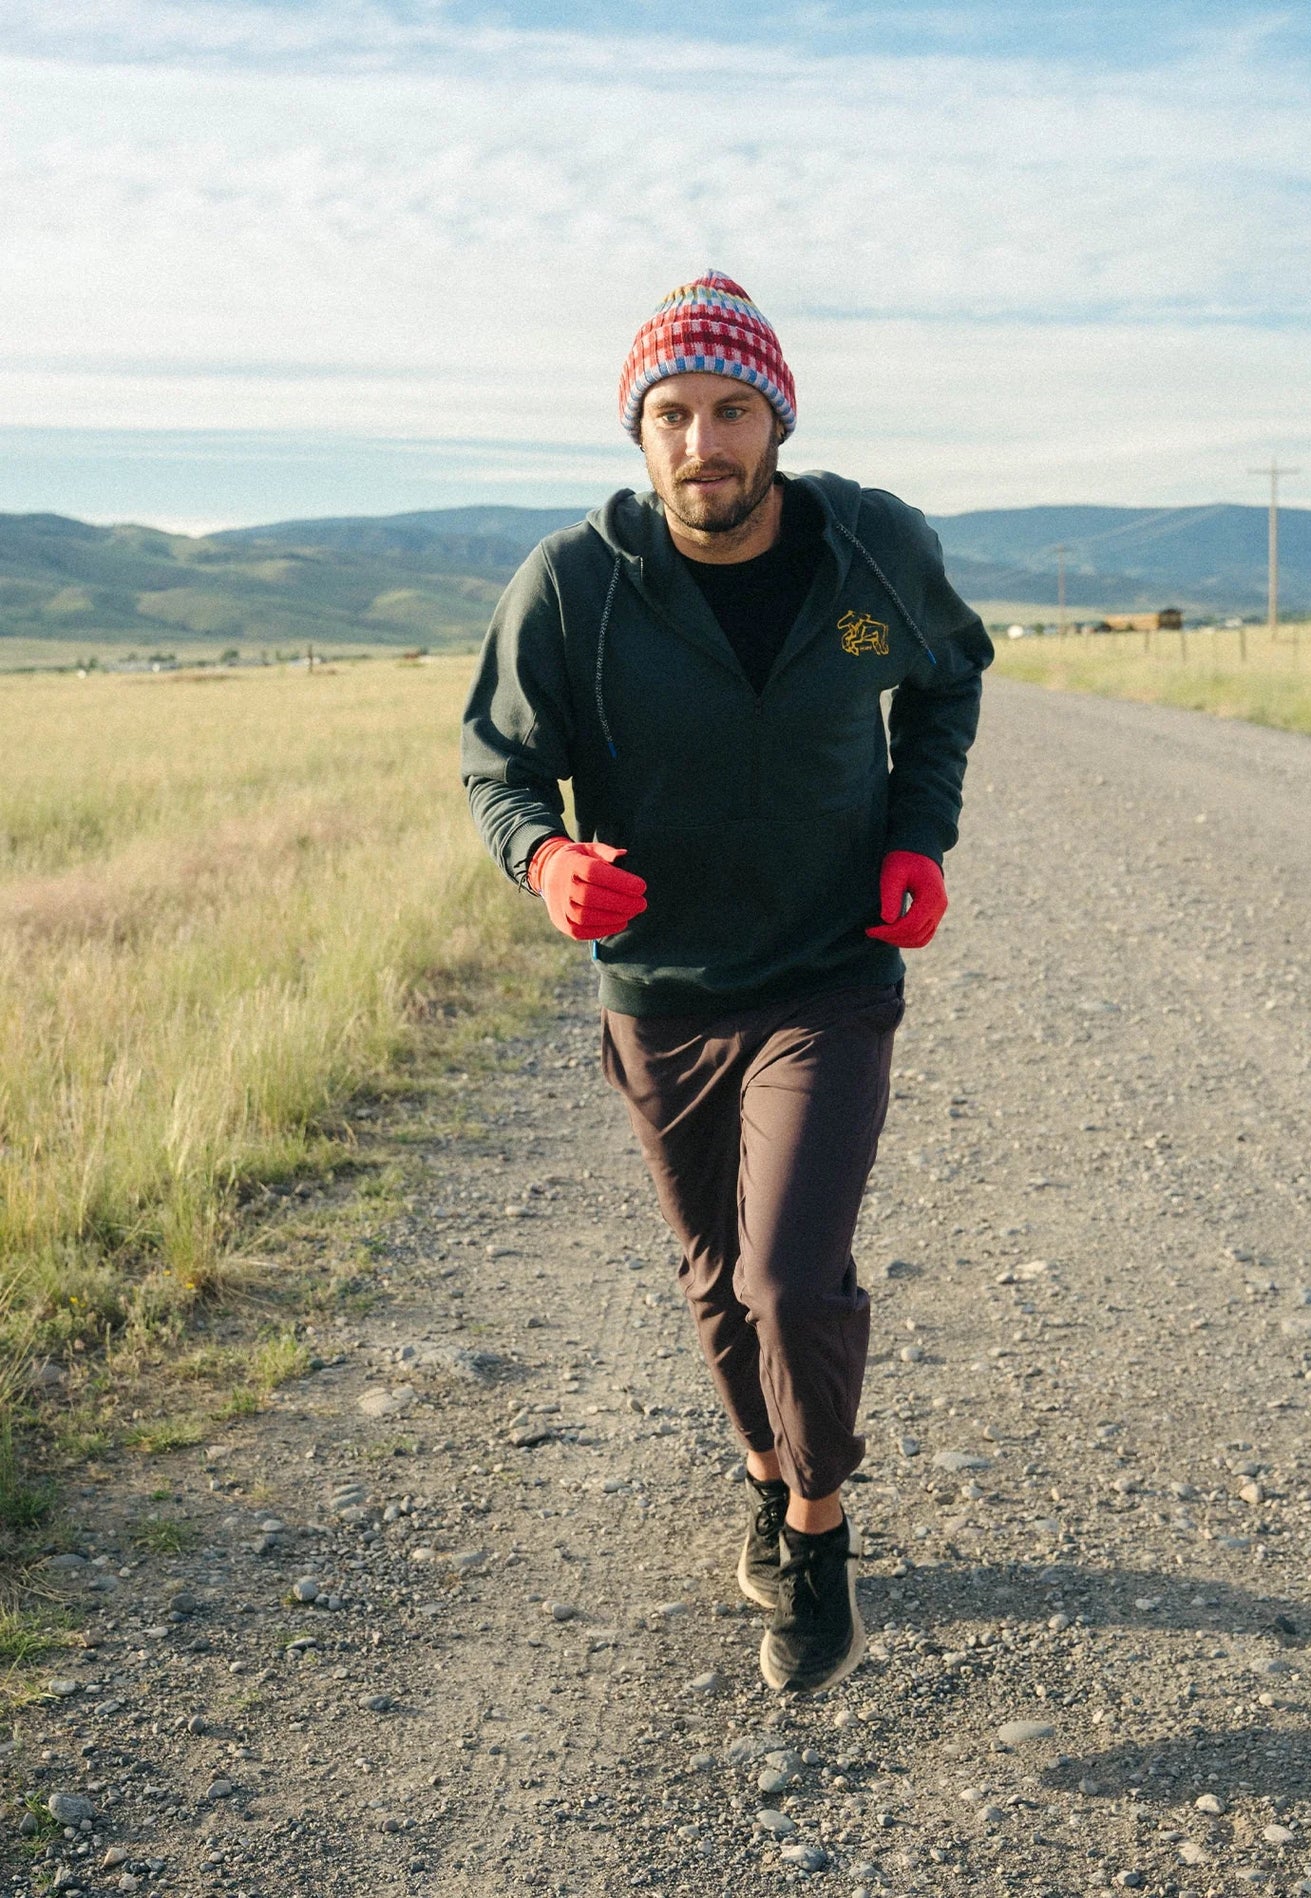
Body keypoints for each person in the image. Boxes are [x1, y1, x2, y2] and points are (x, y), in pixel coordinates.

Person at [462, 270, 992, 1694]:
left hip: (827, 970)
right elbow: (498, 766)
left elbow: (951, 675)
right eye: (675, 415)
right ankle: (766, 1476)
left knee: (783, 1273)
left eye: (731, 410)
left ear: (776, 421)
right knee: (709, 1276)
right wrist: (543, 858)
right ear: (641, 439)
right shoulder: (571, 585)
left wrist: (914, 838)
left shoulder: (871, 550)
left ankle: (815, 1538)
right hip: (661, 987)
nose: (705, 442)